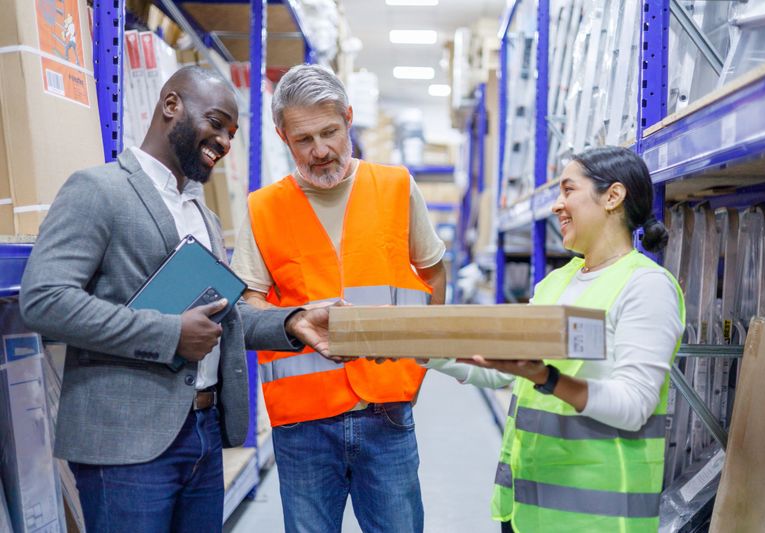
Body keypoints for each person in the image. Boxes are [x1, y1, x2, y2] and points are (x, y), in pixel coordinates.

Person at [19, 66, 330, 533]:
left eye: (232, 134)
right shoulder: (99, 189)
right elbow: (44, 299)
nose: (225, 143)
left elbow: (221, 315)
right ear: (170, 106)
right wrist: (169, 334)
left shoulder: (200, 213)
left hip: (201, 436)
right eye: (217, 123)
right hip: (126, 445)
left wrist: (293, 323)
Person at [230, 64, 447, 532]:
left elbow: (432, 273)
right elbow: (245, 309)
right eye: (304, 140)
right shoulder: (263, 208)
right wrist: (297, 319)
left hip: (386, 412)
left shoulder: (395, 187)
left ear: (349, 118)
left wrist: (419, 362)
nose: (321, 151)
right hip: (302, 424)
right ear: (282, 136)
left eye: (330, 132)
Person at [425, 146, 685, 532]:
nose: (556, 206)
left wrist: (548, 379)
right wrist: (421, 350)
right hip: (524, 511)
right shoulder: (556, 283)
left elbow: (634, 405)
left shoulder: (646, 288)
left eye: (568, 191)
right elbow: (508, 374)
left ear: (612, 197)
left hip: (596, 518)